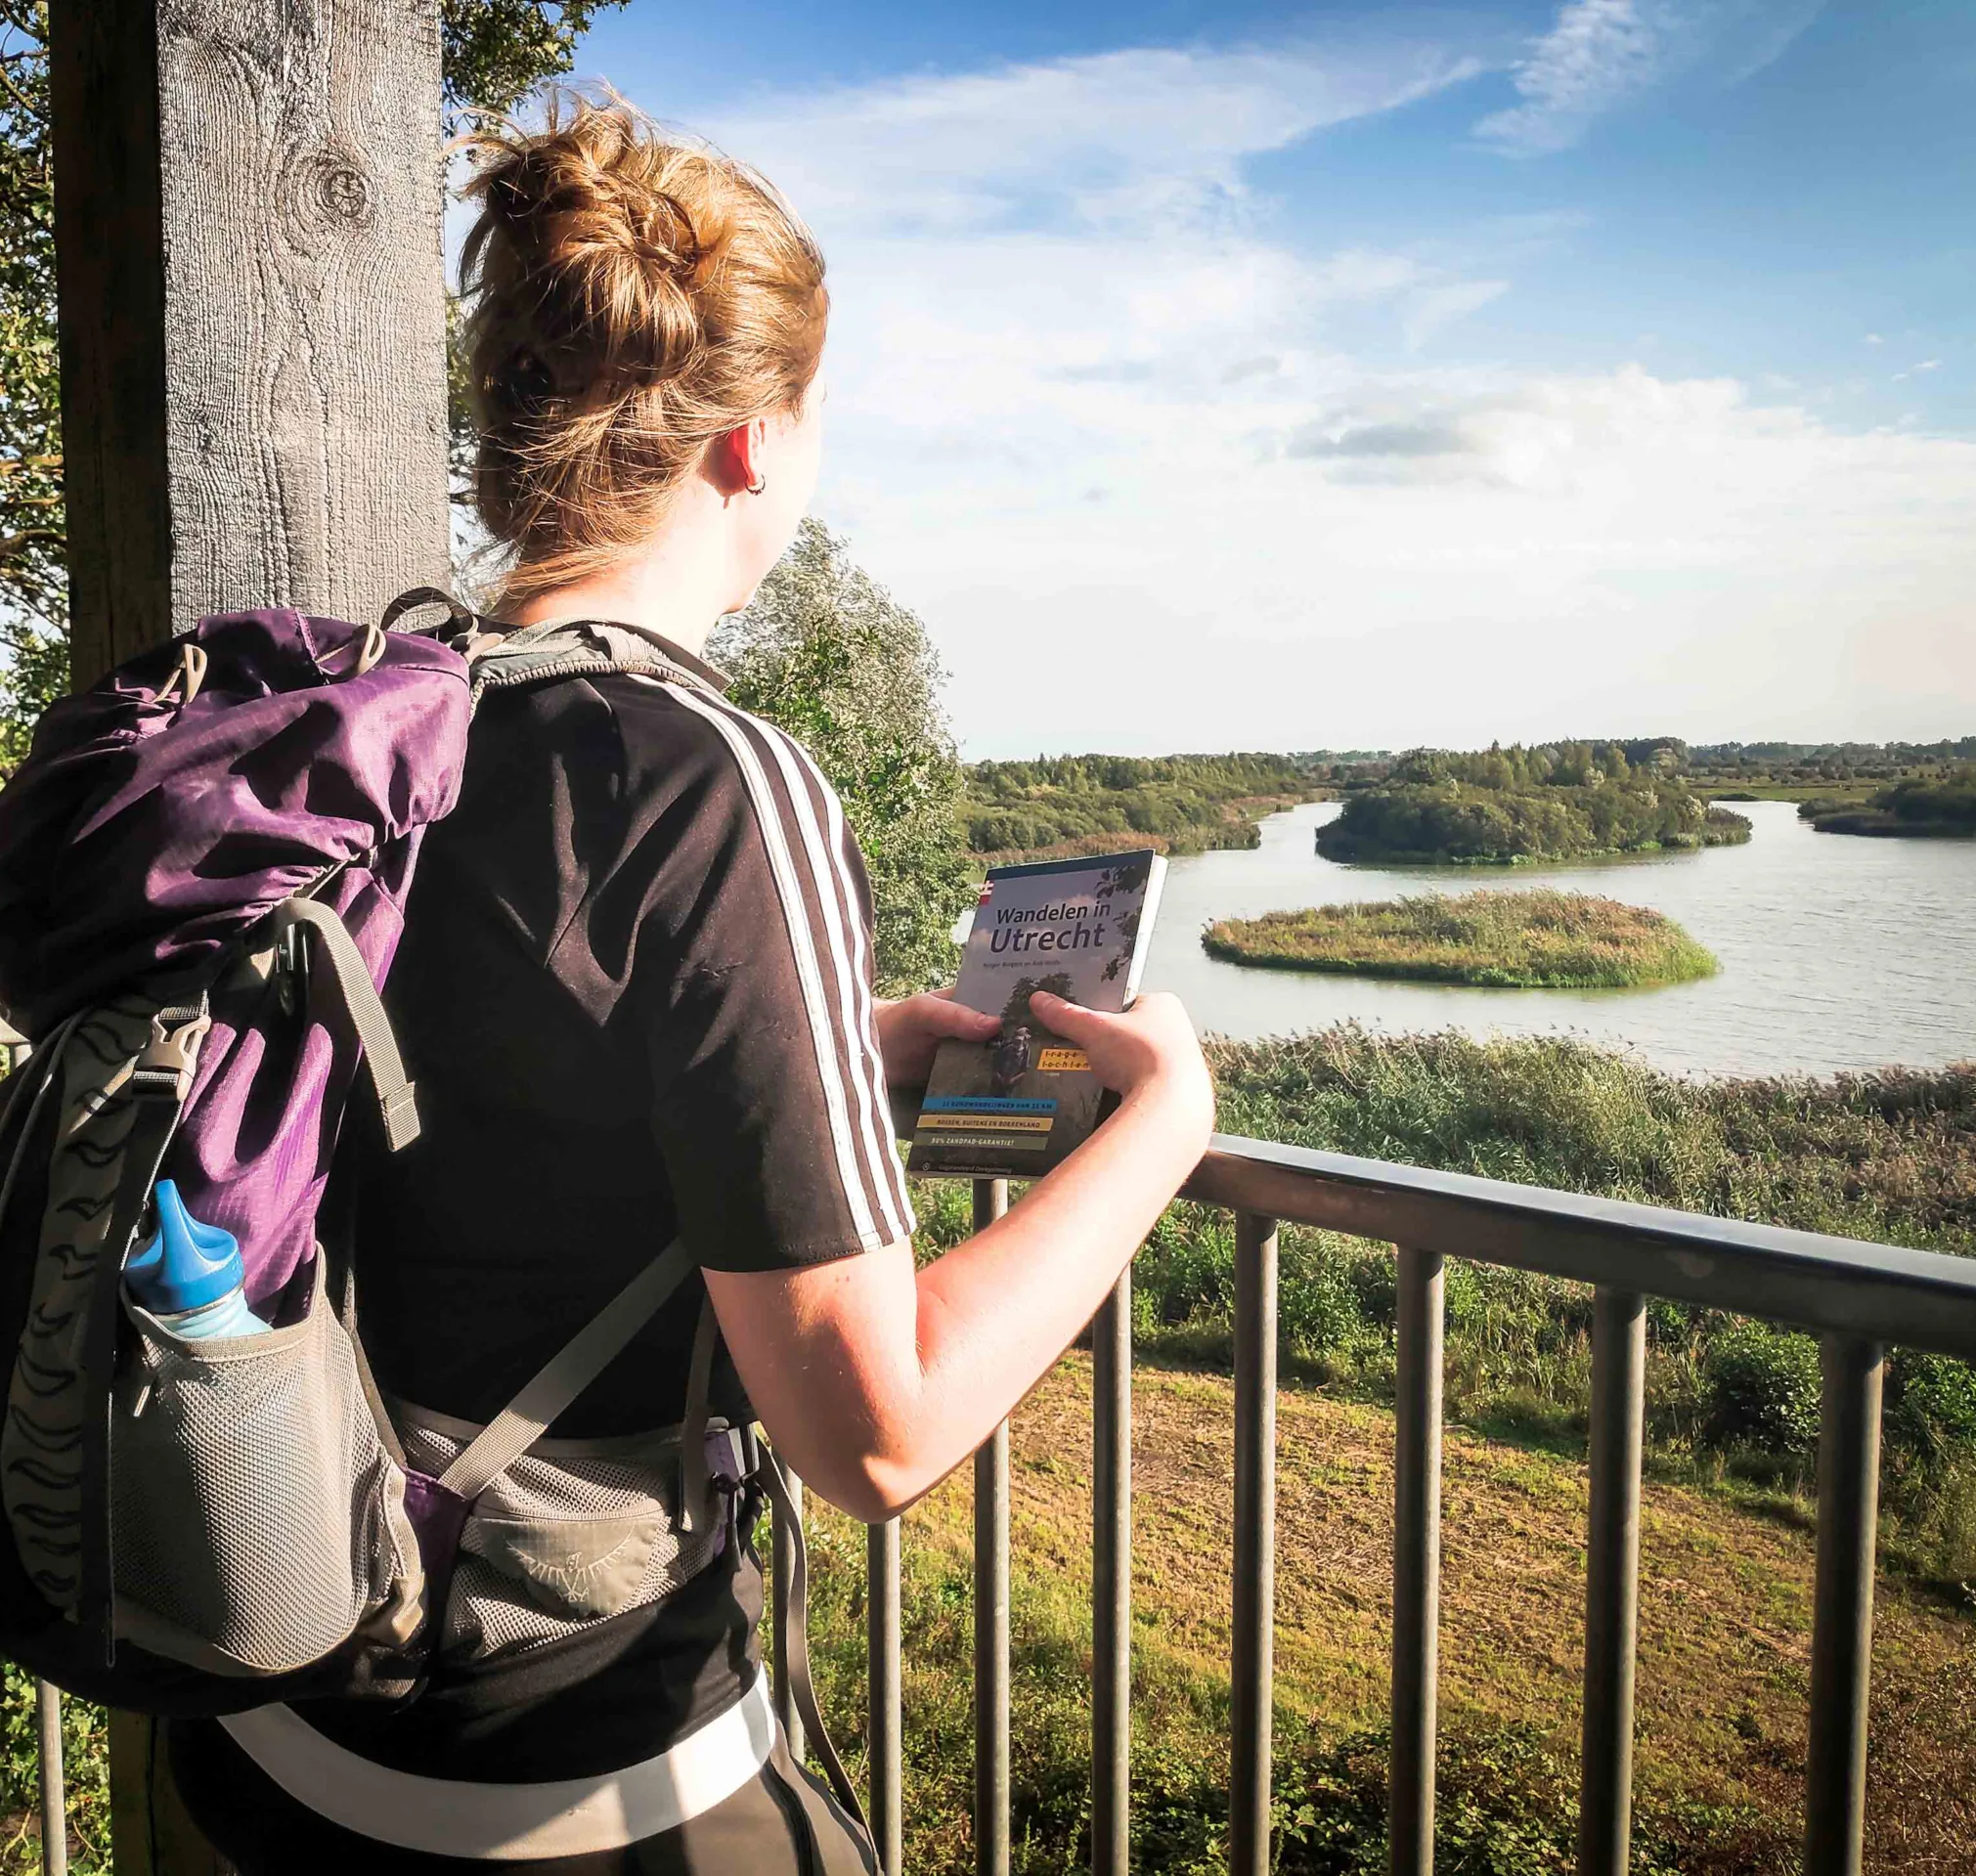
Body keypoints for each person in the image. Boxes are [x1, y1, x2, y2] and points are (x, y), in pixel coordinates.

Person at [157, 92, 1214, 1873]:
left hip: (269, 1706)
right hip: (554, 1764)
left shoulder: (385, 727)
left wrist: (817, 1054)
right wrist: (1161, 1133)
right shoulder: (718, 780)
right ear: (749, 443)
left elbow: (472, 1090)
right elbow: (875, 1436)